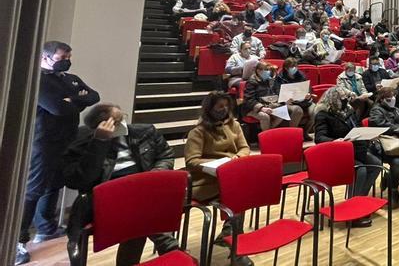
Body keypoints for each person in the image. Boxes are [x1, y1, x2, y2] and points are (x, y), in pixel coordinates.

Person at [18, 42, 101, 265]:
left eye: (69, 56)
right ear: (46, 57)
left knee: (54, 184)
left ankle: (46, 229)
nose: (67, 59)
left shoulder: (68, 78)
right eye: (63, 56)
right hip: (43, 142)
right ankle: (18, 240)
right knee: (34, 189)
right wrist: (76, 100)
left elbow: (94, 97)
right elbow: (56, 108)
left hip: (66, 139)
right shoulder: (38, 80)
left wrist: (71, 101)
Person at [63, 104, 177, 266]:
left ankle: (167, 248)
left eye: (122, 117)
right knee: (143, 211)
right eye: (116, 120)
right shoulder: (84, 144)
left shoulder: (144, 133)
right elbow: (80, 180)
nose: (122, 122)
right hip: (105, 201)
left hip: (141, 194)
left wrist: (155, 175)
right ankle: (170, 247)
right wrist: (100, 142)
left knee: (140, 209)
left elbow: (166, 155)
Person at [184, 92, 253, 265]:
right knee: (238, 195)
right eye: (219, 107)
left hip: (230, 176)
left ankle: (231, 236)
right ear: (210, 109)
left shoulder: (234, 125)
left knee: (241, 193)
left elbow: (245, 148)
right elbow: (192, 161)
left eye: (226, 106)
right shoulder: (198, 132)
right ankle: (235, 245)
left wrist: (237, 158)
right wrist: (217, 163)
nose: (224, 110)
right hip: (207, 181)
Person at [313, 87, 380, 227]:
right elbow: (319, 137)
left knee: (376, 164)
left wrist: (368, 134)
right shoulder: (323, 114)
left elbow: (358, 127)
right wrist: (334, 141)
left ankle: (358, 200)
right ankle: (353, 214)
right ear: (333, 100)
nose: (345, 101)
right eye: (342, 98)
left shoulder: (349, 111)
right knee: (360, 169)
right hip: (336, 152)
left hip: (355, 148)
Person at [368, 88, 399, 207]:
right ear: (382, 99)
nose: (393, 100)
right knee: (397, 163)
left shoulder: (396, 109)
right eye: (389, 98)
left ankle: (389, 177)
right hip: (382, 145)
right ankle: (393, 190)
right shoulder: (376, 110)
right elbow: (379, 124)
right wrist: (397, 129)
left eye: (394, 97)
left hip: (398, 142)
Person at [242, 62, 302, 131]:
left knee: (282, 112)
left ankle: (270, 133)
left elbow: (276, 93)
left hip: (269, 104)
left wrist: (285, 100)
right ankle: (266, 138)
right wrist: (262, 108)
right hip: (252, 108)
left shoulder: (270, 80)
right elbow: (249, 99)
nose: (268, 72)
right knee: (265, 116)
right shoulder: (251, 82)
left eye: (269, 70)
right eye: (266, 70)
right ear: (258, 71)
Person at [274, 57, 316, 139]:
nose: (294, 68)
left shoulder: (301, 75)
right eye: (291, 67)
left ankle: (305, 132)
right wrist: (285, 99)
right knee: (298, 110)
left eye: (295, 66)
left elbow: (309, 88)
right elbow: (277, 92)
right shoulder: (280, 77)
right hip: (289, 102)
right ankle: (292, 135)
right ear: (286, 68)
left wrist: (308, 94)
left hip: (304, 101)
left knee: (315, 111)